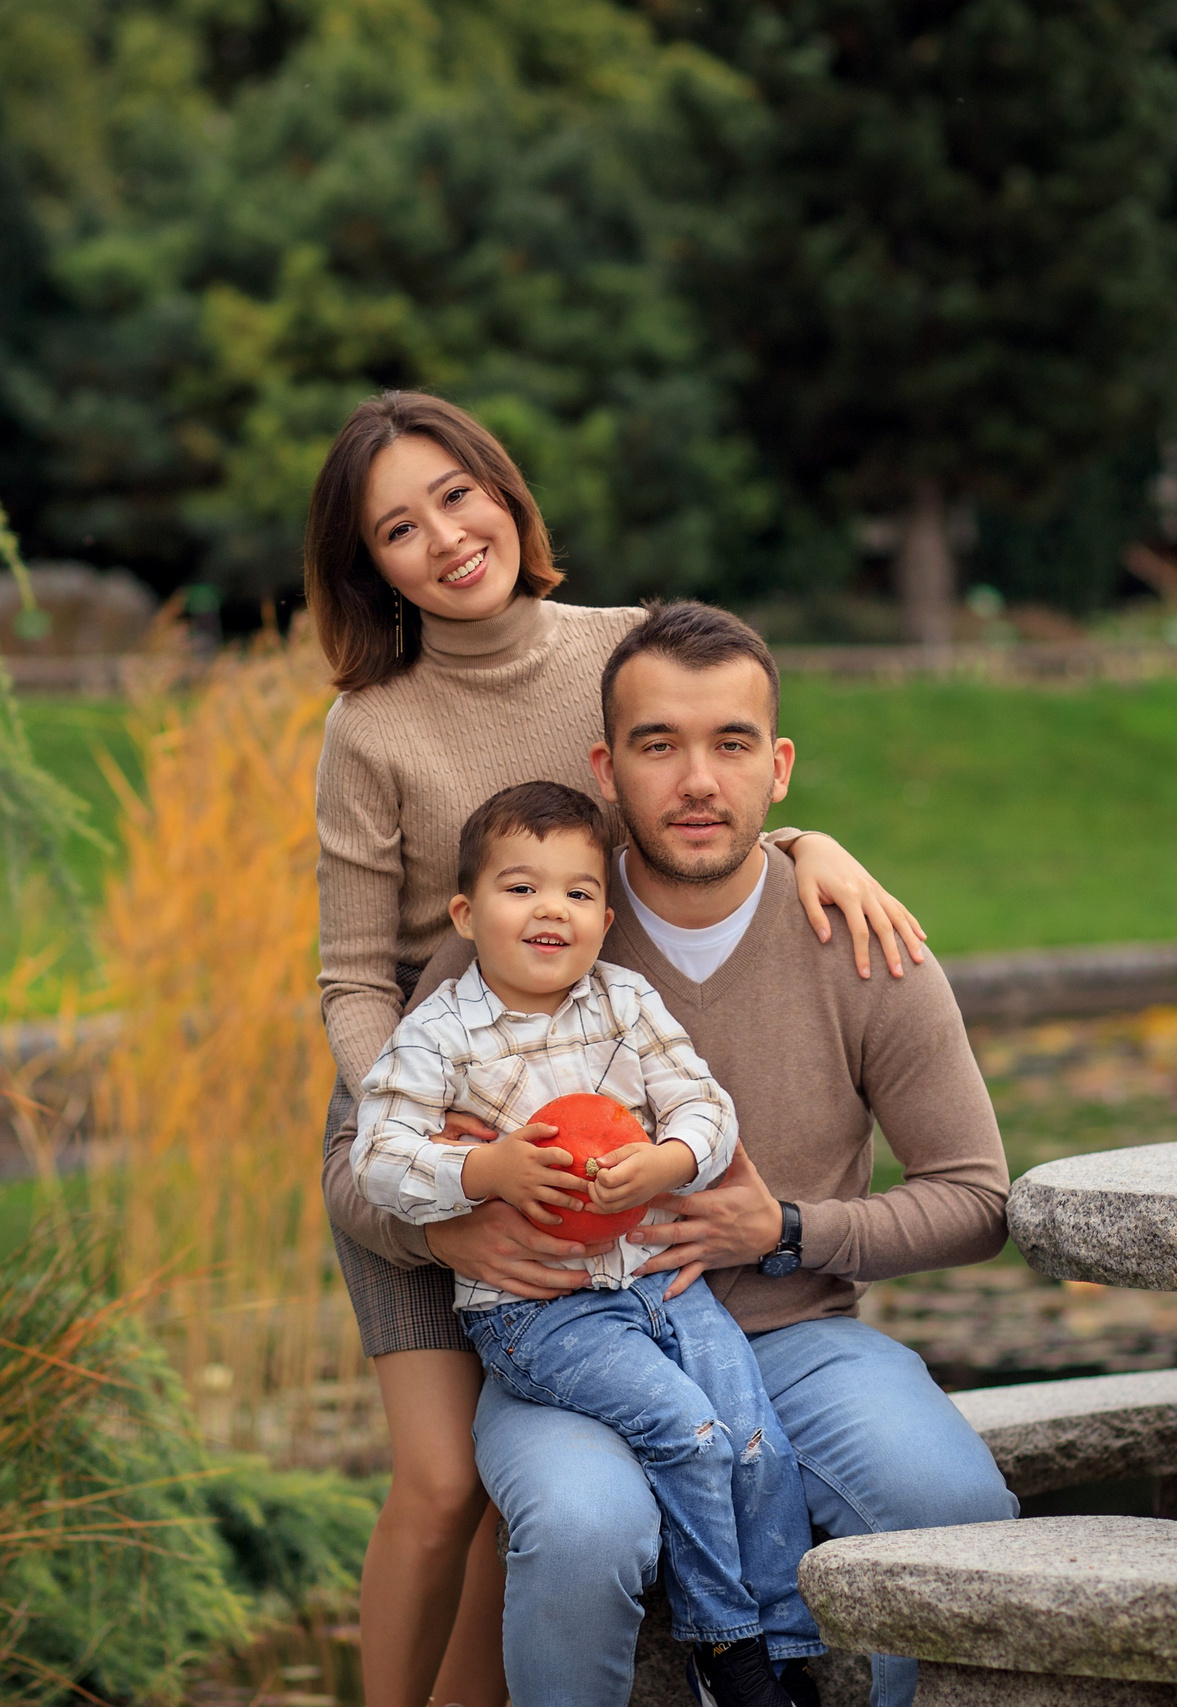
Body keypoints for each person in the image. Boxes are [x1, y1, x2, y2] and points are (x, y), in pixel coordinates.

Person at [305, 391, 929, 1707]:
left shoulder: (615, 644)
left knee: (515, 1485)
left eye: (457, 496)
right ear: (371, 567)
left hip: (587, 1092)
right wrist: (434, 1142)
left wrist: (808, 842)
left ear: (504, 491)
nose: (445, 538)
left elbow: (695, 798)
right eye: (399, 528)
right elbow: (353, 977)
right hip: (426, 1110)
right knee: (442, 1480)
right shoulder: (372, 726)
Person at [352, 780, 822, 1707]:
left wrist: (667, 1160)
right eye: (521, 887)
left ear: (605, 919)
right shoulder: (438, 1032)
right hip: (542, 1311)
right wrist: (484, 1172)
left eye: (576, 891)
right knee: (691, 1434)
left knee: (755, 1439)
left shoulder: (626, 1002)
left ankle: (784, 1648)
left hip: (663, 1281)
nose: (551, 910)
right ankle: (726, 1647)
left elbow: (705, 1106)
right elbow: (376, 1158)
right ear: (466, 913)